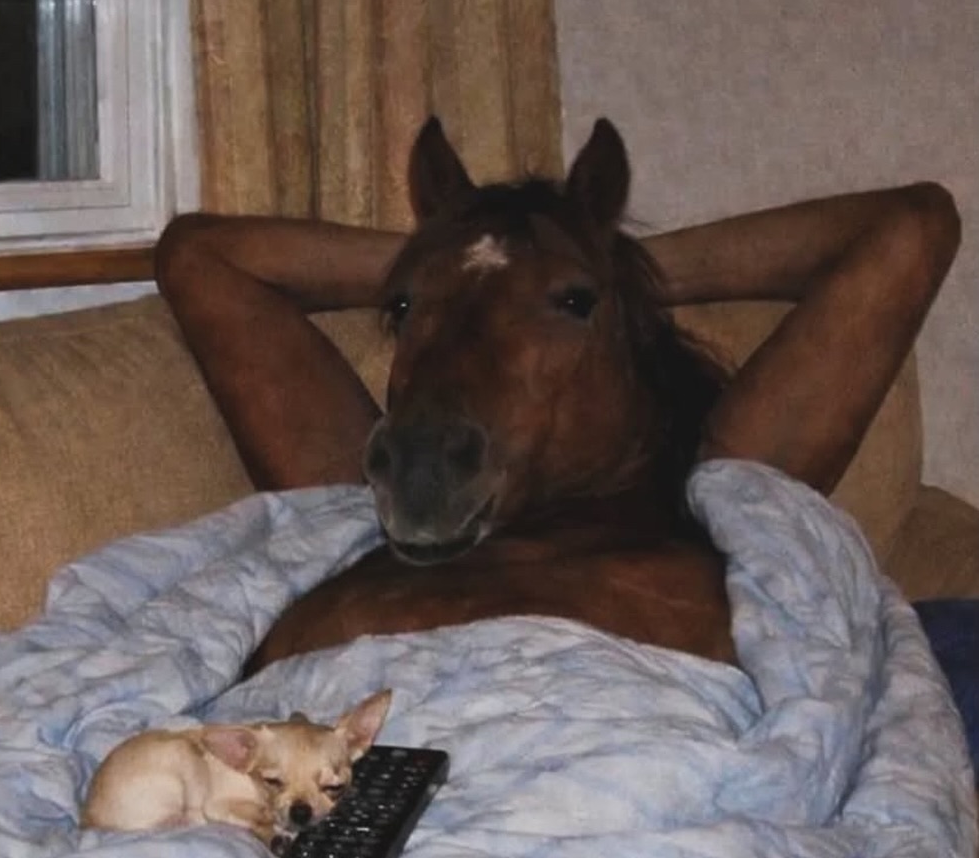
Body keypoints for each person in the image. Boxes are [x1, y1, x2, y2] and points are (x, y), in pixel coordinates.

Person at [152, 117, 960, 669]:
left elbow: (912, 226)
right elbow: (199, 256)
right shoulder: (356, 505)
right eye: (409, 317)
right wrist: (460, 262)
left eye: (570, 306)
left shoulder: (729, 489)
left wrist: (614, 269)